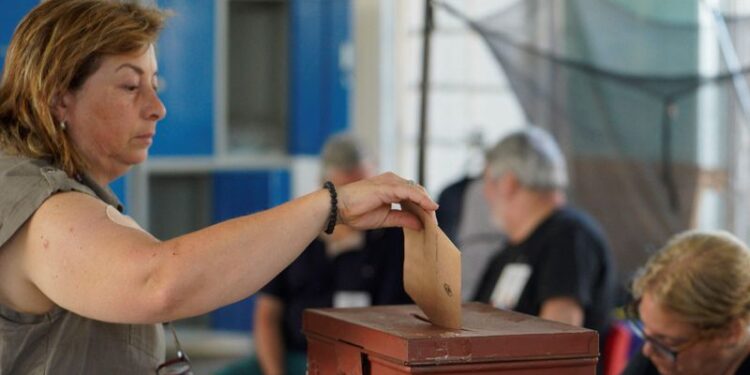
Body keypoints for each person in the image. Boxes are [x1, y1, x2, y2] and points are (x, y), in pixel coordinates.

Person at [0, 1, 436, 373]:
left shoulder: (74, 194)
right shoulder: (41, 205)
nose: (158, 108)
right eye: (130, 86)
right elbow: (157, 282)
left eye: (155, 85)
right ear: (59, 99)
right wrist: (331, 204)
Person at [219, 134, 412, 375]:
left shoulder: (394, 240)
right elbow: (267, 315)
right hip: (293, 355)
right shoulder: (295, 234)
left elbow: (401, 323)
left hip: (360, 361)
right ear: (325, 189)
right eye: (348, 192)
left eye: (365, 188)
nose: (360, 204)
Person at [473, 127, 615, 340]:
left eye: (487, 181)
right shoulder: (509, 251)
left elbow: (559, 342)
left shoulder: (570, 238)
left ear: (508, 183)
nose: (484, 193)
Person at [622, 230, 750, 375]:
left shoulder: (665, 353)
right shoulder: (658, 352)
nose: (647, 351)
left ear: (730, 333)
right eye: (646, 331)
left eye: (671, 341)